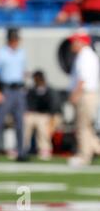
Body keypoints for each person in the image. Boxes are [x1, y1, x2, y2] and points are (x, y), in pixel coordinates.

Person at [0, 27, 28, 162]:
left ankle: (21, 153)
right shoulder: (1, 53)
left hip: (19, 90)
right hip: (6, 90)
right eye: (14, 39)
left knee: (20, 123)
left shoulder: (21, 53)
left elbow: (23, 72)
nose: (16, 42)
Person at [67, 30, 100, 166]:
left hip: (85, 94)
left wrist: (75, 95)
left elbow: (83, 79)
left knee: (82, 126)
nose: (72, 45)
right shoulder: (87, 55)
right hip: (89, 93)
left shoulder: (85, 56)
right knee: (87, 127)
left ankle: (84, 155)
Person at [24, 70, 59, 161]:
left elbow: (54, 107)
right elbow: (29, 105)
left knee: (42, 125)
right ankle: (22, 147)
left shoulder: (50, 91)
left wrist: (52, 117)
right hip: (34, 114)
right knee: (26, 122)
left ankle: (44, 149)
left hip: (46, 115)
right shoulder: (32, 90)